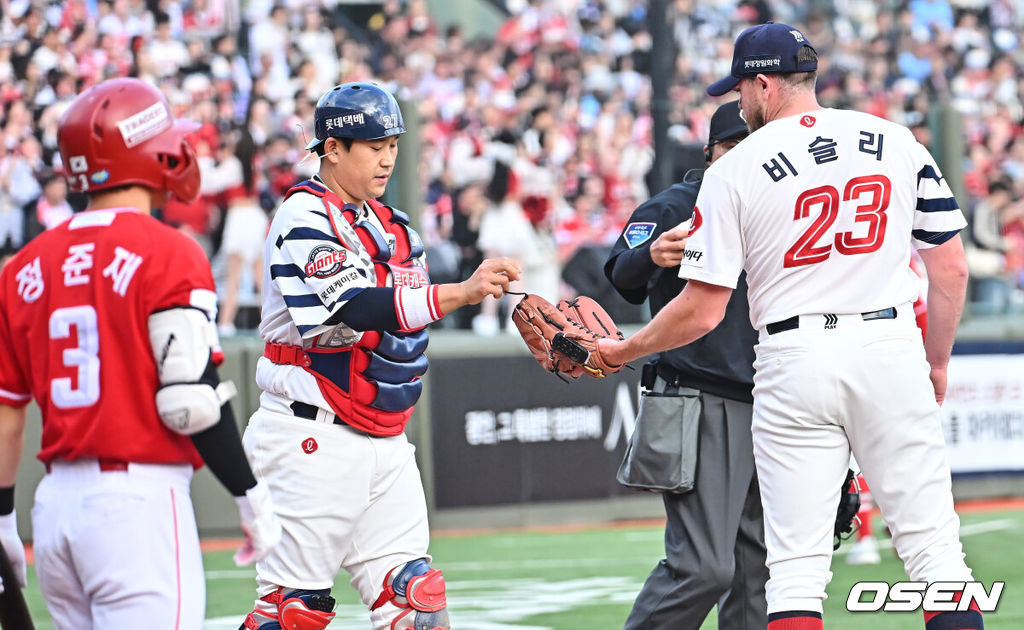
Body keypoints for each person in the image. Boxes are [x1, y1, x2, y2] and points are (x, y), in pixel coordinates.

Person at [598, 23, 982, 630]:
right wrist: (936, 361)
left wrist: (623, 351)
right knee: (939, 556)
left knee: (795, 571)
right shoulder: (895, 139)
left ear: (763, 83)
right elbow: (951, 268)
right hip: (888, 344)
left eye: (744, 89)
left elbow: (701, 310)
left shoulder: (736, 169)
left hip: (793, 356)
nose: (742, 103)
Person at [239, 82, 520, 630]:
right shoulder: (302, 214)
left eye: (391, 143)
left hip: (385, 440)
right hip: (307, 436)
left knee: (416, 605)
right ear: (332, 149)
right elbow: (354, 307)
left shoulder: (391, 225)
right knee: (291, 615)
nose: (387, 156)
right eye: (372, 145)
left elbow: (400, 326)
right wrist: (460, 292)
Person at [0, 77, 281, 627]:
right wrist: (250, 499)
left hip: (54, 511)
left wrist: (3, 518)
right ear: (146, 150)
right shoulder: (168, 250)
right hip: (135, 504)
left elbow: (8, 412)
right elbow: (192, 399)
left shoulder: (24, 266)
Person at [604, 100, 767, 629]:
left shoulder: (781, 203)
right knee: (702, 568)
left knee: (758, 574)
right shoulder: (678, 204)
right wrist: (649, 254)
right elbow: (620, 276)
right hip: (699, 395)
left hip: (775, 396)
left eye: (753, 147)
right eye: (731, 147)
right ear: (710, 151)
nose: (742, 157)